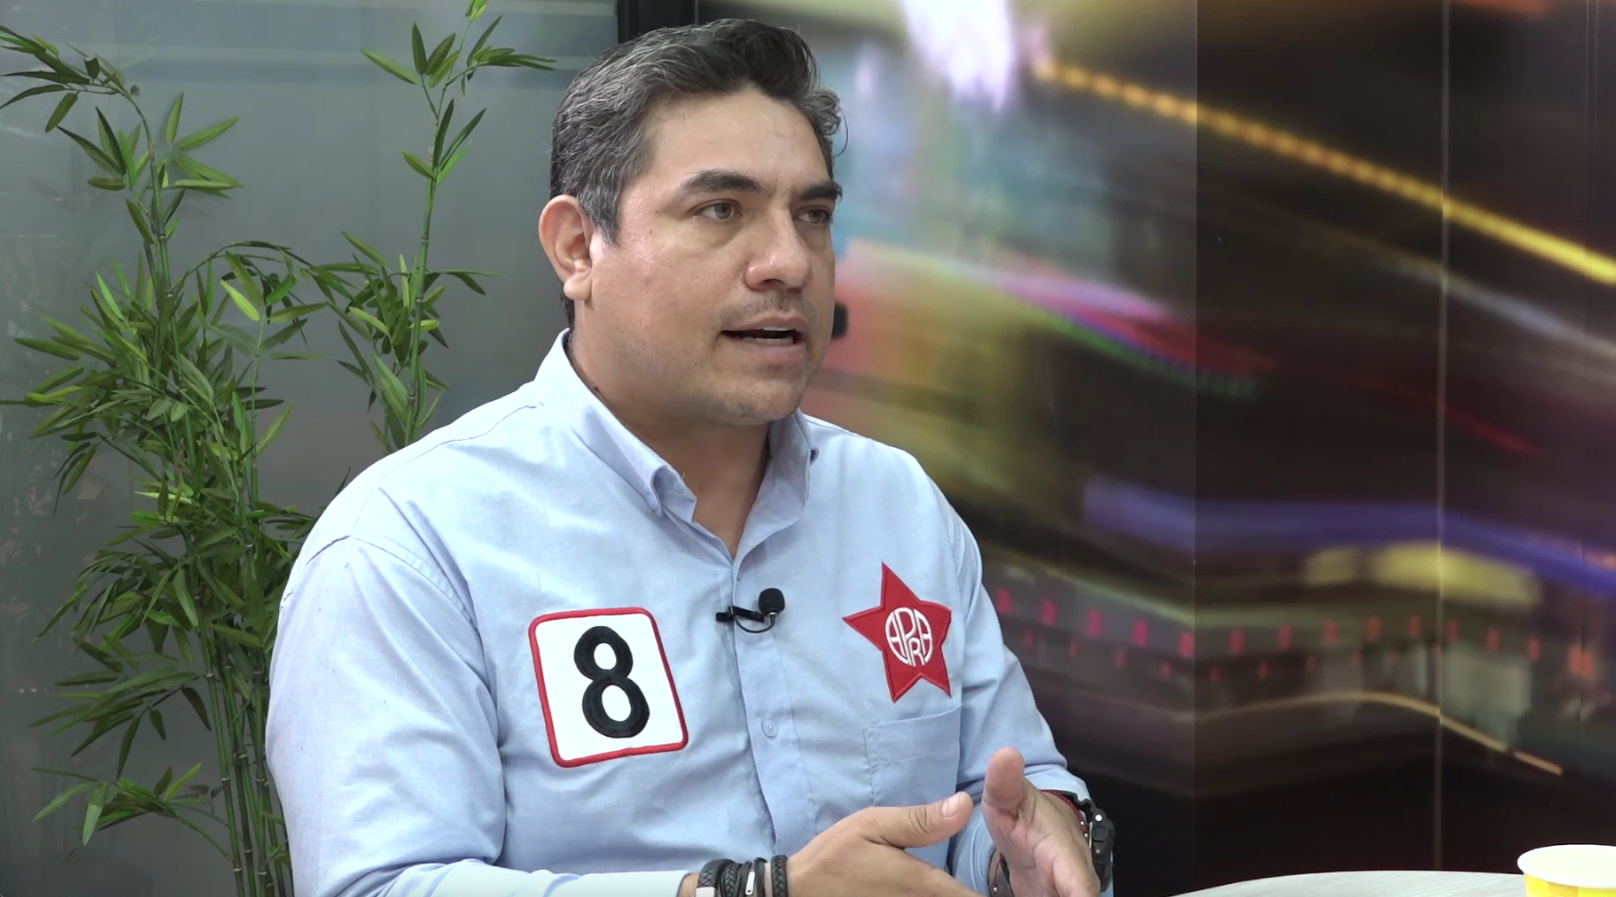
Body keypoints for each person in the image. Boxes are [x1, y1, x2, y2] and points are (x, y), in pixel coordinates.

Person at [266, 18, 1113, 897]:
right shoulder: (411, 546)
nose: (788, 262)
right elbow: (381, 885)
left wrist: (1031, 846)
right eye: (721, 211)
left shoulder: (895, 502)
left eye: (813, 215)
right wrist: (742, 892)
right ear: (577, 247)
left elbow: (1003, 792)